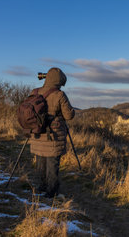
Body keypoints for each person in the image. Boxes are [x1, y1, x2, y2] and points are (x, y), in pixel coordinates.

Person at [29, 67, 75, 198]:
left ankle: (41, 187)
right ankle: (51, 192)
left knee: (40, 161)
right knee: (52, 164)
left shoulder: (35, 92)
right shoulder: (59, 95)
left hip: (37, 133)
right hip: (53, 135)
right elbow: (69, 116)